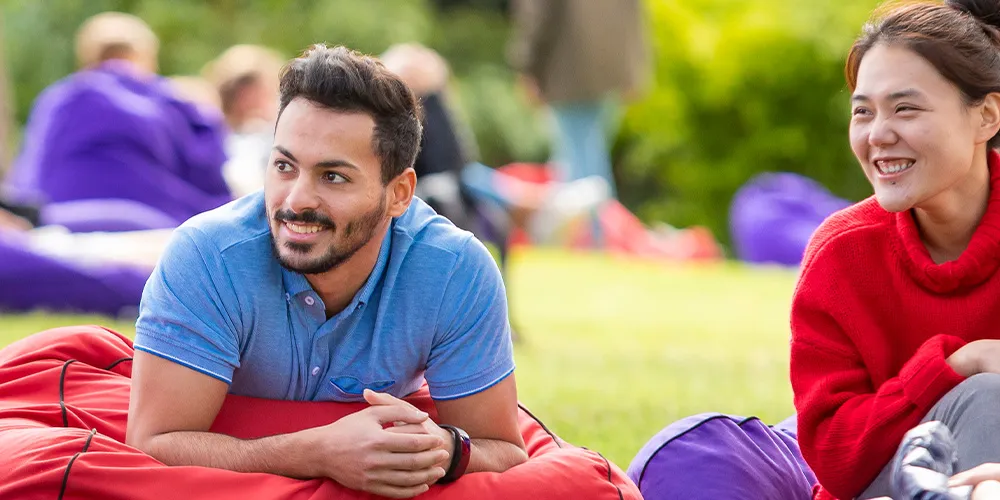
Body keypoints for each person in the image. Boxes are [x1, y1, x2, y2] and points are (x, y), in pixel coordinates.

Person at [125, 44, 527, 499]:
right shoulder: (207, 255)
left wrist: (446, 449)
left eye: (332, 176)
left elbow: (504, 451)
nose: (296, 200)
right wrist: (316, 453)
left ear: (398, 193)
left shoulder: (456, 270)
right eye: (283, 166)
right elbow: (151, 444)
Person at [789, 1, 1000, 499]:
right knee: (987, 395)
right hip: (880, 484)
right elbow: (834, 456)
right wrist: (958, 363)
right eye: (863, 111)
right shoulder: (842, 254)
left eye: (905, 108)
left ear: (987, 115)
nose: (877, 135)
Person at [3, 12, 231, 225]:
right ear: (146, 58)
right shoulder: (170, 98)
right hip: (145, 221)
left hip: (57, 219)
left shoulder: (55, 99)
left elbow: (28, 175)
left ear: (87, 59)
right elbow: (209, 172)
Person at [507, 0, 650, 196]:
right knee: (587, 159)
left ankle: (595, 224)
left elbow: (538, 16)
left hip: (568, 69)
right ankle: (598, 220)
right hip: (611, 68)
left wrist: (529, 67)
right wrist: (636, 69)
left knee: (580, 169)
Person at [203, 44, 285, 197]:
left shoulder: (281, 133)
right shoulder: (213, 138)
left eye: (260, 94)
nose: (253, 102)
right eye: (243, 95)